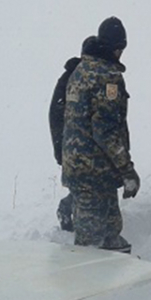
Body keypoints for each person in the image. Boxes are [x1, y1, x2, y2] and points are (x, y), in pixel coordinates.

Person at [61, 17, 140, 253]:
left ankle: (114, 284)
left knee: (111, 232)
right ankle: (84, 286)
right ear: (116, 48)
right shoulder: (107, 78)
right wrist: (127, 171)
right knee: (91, 246)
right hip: (93, 170)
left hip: (81, 167)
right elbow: (106, 131)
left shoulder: (81, 70)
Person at [49, 36, 96, 232]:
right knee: (83, 188)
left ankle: (71, 212)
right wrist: (61, 149)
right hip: (72, 145)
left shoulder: (76, 76)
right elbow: (56, 114)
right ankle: (67, 211)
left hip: (75, 144)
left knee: (84, 187)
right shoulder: (73, 78)